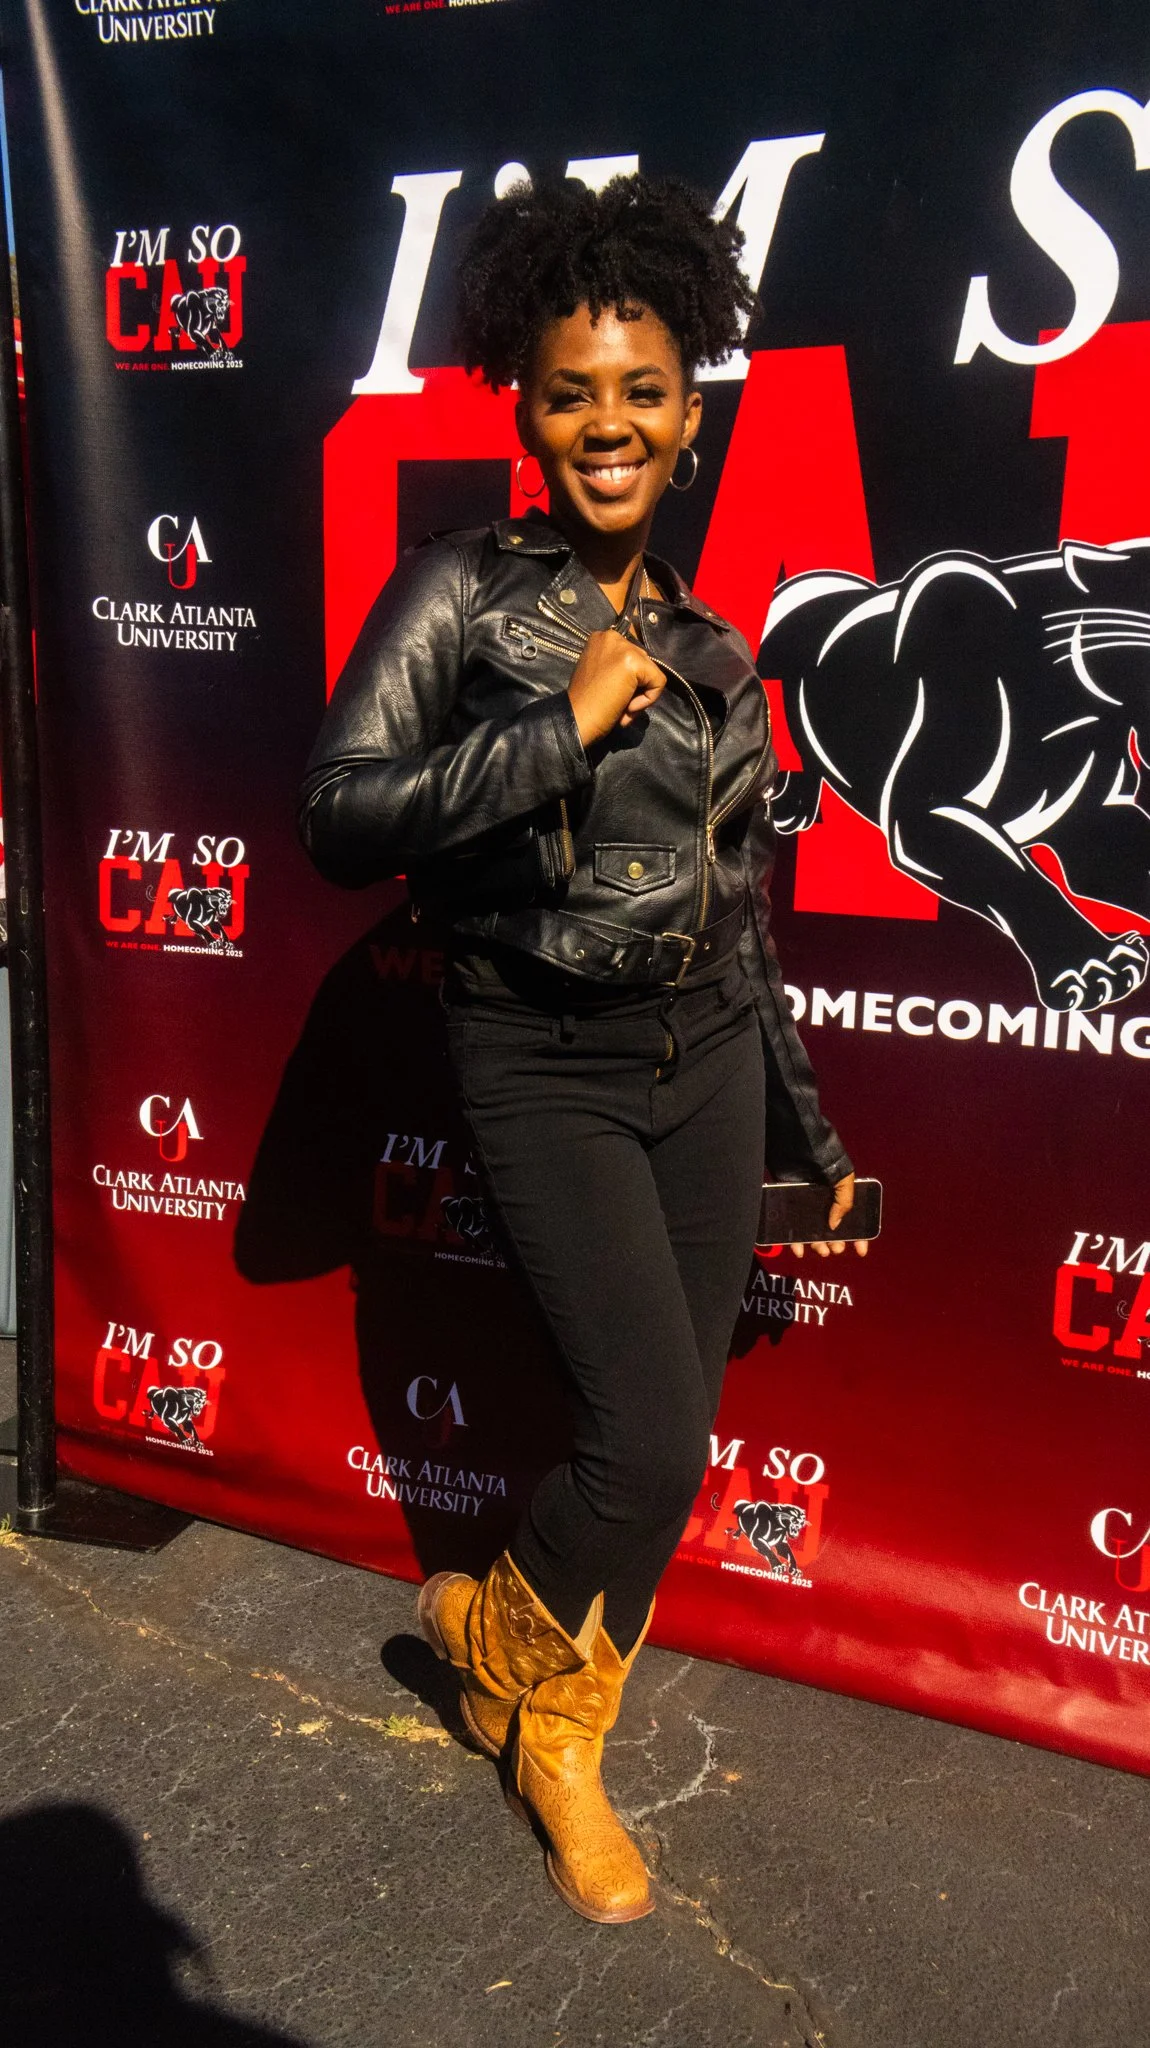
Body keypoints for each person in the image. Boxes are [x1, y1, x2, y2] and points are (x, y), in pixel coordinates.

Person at [299, 173, 861, 1925]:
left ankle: (535, 1703)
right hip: (538, 1059)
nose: (606, 423)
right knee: (644, 1443)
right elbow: (338, 815)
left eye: (641, 391)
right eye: (570, 393)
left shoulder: (716, 653)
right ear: (526, 413)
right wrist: (556, 726)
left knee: (667, 1442)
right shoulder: (460, 594)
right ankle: (512, 1680)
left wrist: (807, 1138)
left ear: (689, 417)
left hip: (706, 1064)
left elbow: (741, 919)